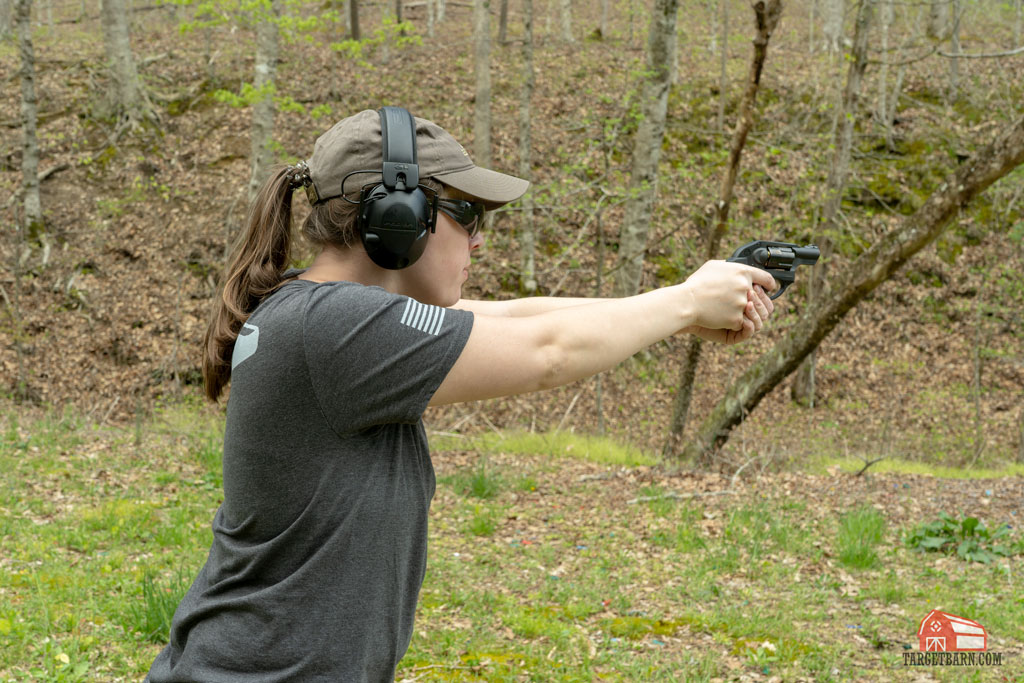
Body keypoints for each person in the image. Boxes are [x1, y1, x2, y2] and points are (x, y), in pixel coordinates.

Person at [145, 107, 776, 682]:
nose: (478, 241)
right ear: (397, 216)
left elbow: (515, 319)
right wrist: (687, 300)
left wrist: (684, 312)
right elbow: (547, 352)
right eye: (466, 215)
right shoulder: (331, 327)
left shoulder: (318, 312)